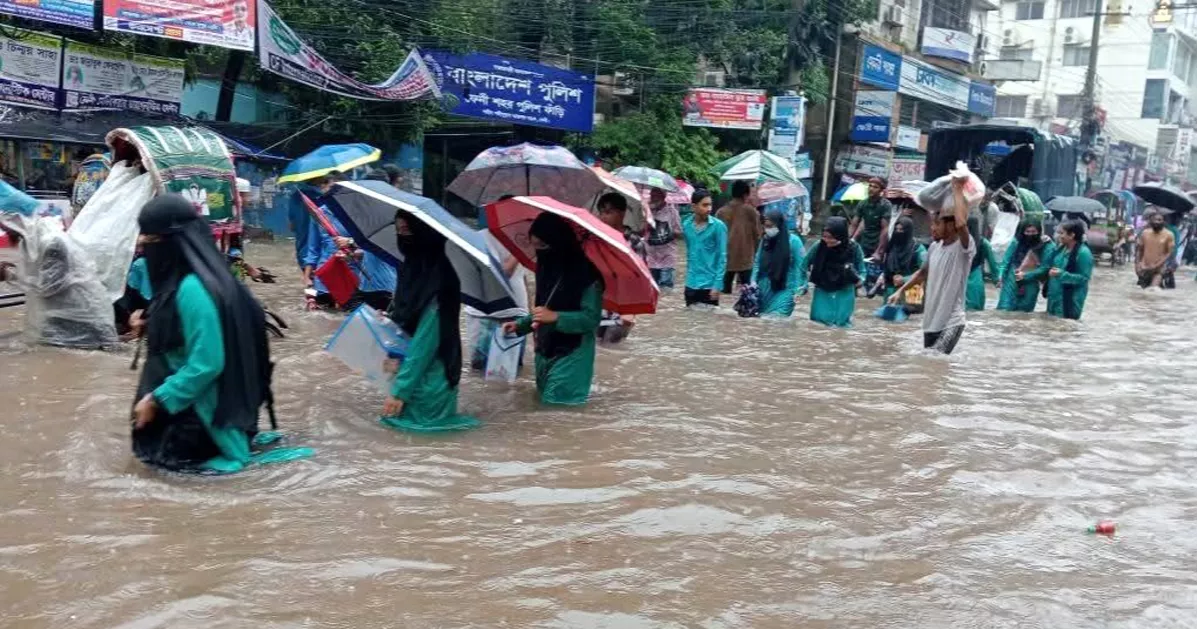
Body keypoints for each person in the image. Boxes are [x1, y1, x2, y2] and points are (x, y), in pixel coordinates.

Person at [130, 195, 310, 473]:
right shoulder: (202, 279)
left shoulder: (192, 288)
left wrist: (157, 400)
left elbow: (207, 363)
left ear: (171, 243)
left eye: (149, 241)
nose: (143, 247)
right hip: (199, 412)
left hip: (197, 420)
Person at [380, 210, 478, 432]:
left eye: (408, 230)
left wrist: (399, 392)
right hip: (409, 376)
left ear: (425, 233)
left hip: (432, 384)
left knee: (426, 440)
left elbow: (424, 343)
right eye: (399, 231)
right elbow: (406, 319)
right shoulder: (410, 270)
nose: (403, 237)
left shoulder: (441, 280)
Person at [503, 213, 603, 406]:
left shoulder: (588, 276)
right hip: (544, 350)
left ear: (558, 243)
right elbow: (542, 310)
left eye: (543, 246)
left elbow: (591, 319)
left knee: (558, 411)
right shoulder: (545, 268)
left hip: (572, 355)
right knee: (542, 409)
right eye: (535, 246)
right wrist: (520, 325)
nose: (539, 252)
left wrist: (557, 317)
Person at [890, 178, 974, 355]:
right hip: (930, 321)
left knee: (936, 359)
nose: (932, 229)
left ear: (950, 226)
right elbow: (922, 273)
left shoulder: (963, 248)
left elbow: (962, 224)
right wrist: (900, 292)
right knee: (931, 368)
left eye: (936, 224)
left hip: (952, 321)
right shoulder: (934, 248)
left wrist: (957, 189)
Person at [301, 190, 397, 311]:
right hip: (327, 276)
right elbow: (313, 250)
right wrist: (307, 278)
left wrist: (351, 244)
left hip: (358, 279)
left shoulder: (362, 217)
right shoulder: (320, 214)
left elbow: (372, 247)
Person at [465, 207, 529, 372]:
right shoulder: (483, 237)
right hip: (485, 314)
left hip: (517, 312)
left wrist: (529, 312)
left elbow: (522, 276)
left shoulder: (522, 237)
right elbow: (502, 273)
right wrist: (519, 250)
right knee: (480, 370)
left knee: (512, 371)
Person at [803, 216, 865, 327]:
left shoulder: (854, 248)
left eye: (831, 237)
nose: (827, 240)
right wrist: (803, 284)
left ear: (840, 235)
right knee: (818, 323)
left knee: (842, 324)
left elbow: (862, 270)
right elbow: (803, 265)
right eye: (824, 237)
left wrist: (860, 281)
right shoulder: (818, 246)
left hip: (845, 289)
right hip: (822, 287)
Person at [595, 192, 638, 342]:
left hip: (621, 308)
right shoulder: (595, 239)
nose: (603, 217)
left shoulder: (634, 242)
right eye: (601, 212)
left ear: (622, 213)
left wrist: (631, 312)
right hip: (596, 303)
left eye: (608, 212)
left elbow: (640, 278)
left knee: (612, 346)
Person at [750, 208, 805, 317]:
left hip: (786, 288)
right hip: (764, 288)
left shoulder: (794, 242)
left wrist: (799, 289)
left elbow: (800, 266)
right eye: (765, 226)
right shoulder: (765, 241)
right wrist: (753, 282)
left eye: (771, 226)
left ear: (779, 224)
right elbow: (757, 262)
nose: (767, 229)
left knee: (777, 320)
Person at [681, 189, 727, 307]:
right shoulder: (686, 225)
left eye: (710, 204)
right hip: (691, 284)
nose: (709, 209)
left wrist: (717, 286)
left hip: (709, 285)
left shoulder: (718, 227)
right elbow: (689, 254)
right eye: (705, 205)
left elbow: (722, 258)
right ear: (694, 207)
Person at [996, 217, 1053, 312]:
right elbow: (1005, 261)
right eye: (1027, 231)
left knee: (1025, 312)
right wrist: (1000, 276)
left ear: (1039, 231)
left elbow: (1045, 267)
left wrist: (1026, 275)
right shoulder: (1016, 242)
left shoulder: (1043, 244)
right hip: (1013, 276)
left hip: (1032, 279)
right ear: (1022, 231)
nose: (1030, 234)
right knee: (1004, 308)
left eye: (1033, 232)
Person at [716, 180, 762, 294]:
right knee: (747, 294)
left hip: (725, 259)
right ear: (745, 195)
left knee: (723, 292)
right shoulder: (752, 212)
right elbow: (758, 235)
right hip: (746, 259)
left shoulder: (721, 212)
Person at [1045, 219, 1094, 320]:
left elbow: (1084, 278)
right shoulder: (1061, 248)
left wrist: (1062, 274)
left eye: (1061, 233)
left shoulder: (1084, 253)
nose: (1059, 236)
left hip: (1070, 299)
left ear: (1072, 235)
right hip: (1054, 296)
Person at [878, 215, 926, 303]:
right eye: (896, 229)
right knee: (888, 314)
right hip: (891, 289)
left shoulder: (918, 249)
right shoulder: (891, 247)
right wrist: (883, 276)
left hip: (912, 291)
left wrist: (904, 279)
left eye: (902, 230)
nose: (898, 232)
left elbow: (925, 272)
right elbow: (886, 266)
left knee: (912, 314)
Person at [644, 188, 683, 289]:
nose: (653, 199)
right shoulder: (645, 210)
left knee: (666, 289)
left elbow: (680, 233)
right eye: (652, 196)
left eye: (657, 196)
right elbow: (639, 230)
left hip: (667, 256)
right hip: (650, 256)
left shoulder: (672, 212)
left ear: (664, 197)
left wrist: (667, 231)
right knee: (651, 288)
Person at [965, 215, 1000, 311]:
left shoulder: (958, 241)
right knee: (975, 308)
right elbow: (993, 264)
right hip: (975, 276)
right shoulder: (983, 242)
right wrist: (996, 280)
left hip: (961, 275)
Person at [852, 176, 892, 261]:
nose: (871, 189)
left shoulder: (885, 205)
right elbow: (854, 224)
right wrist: (850, 240)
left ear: (881, 190)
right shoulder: (862, 203)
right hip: (864, 240)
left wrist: (879, 251)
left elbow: (885, 229)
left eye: (875, 187)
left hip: (878, 241)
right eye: (870, 186)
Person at [1136, 211, 1175, 288]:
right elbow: (1140, 250)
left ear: (1163, 221)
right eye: (1154, 219)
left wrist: (1156, 265)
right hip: (1145, 268)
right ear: (1151, 221)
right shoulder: (1145, 233)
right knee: (1143, 290)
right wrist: (1137, 264)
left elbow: (1169, 253)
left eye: (1159, 220)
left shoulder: (1169, 235)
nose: (1156, 222)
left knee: (1152, 290)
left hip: (1159, 269)